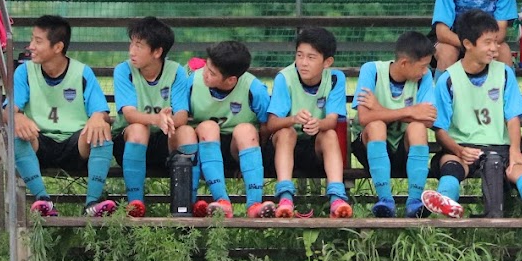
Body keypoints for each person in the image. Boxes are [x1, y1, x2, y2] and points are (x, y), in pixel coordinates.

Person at [424, 11, 522, 218]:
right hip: (462, 147)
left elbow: (513, 117)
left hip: (500, 147)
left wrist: (515, 151)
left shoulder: (505, 74)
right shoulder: (448, 79)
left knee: (519, 168)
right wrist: (459, 150)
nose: (494, 48)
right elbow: (440, 130)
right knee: (451, 165)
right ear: (468, 44)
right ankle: (446, 200)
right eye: (487, 42)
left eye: (496, 42)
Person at [14, 15, 117, 218]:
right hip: (40, 143)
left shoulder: (82, 73)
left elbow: (102, 112)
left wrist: (99, 117)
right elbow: (9, 110)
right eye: (32, 39)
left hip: (75, 146)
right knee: (16, 132)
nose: (31, 46)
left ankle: (92, 204)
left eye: (38, 41)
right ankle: (43, 201)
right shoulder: (24, 72)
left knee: (102, 131)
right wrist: (16, 117)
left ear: (58, 47)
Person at [172, 40, 271, 218]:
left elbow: (265, 127)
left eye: (212, 73)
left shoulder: (254, 89)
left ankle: (255, 205)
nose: (205, 74)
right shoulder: (193, 81)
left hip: (238, 150)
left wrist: (248, 162)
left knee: (246, 130)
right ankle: (222, 201)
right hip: (203, 148)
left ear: (231, 79)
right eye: (206, 67)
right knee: (208, 127)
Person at [261, 27, 350, 219]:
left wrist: (318, 124)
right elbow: (272, 124)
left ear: (327, 62)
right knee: (287, 132)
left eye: (311, 57)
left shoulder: (335, 79)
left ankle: (337, 198)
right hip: (283, 149)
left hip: (315, 149)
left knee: (329, 134)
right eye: (299, 55)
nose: (303, 62)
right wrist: (293, 119)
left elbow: (332, 121)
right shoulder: (285, 78)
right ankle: (285, 198)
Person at [112, 17, 191, 218]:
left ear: (157, 52)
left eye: (138, 46)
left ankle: (186, 204)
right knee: (139, 128)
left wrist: (168, 120)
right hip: (129, 142)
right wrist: (156, 119)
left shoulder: (176, 72)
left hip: (164, 139)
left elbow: (182, 114)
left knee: (186, 131)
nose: (131, 51)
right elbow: (129, 114)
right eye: (131, 44)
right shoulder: (123, 70)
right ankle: (135, 204)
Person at [352, 31, 437, 218]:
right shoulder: (372, 71)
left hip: (404, 150)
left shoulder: (425, 78)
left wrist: (379, 109)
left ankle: (414, 202)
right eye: (423, 66)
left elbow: (428, 119)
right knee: (376, 125)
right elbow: (364, 117)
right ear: (404, 63)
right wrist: (410, 111)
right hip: (370, 148)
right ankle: (385, 201)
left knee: (418, 128)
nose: (425, 71)